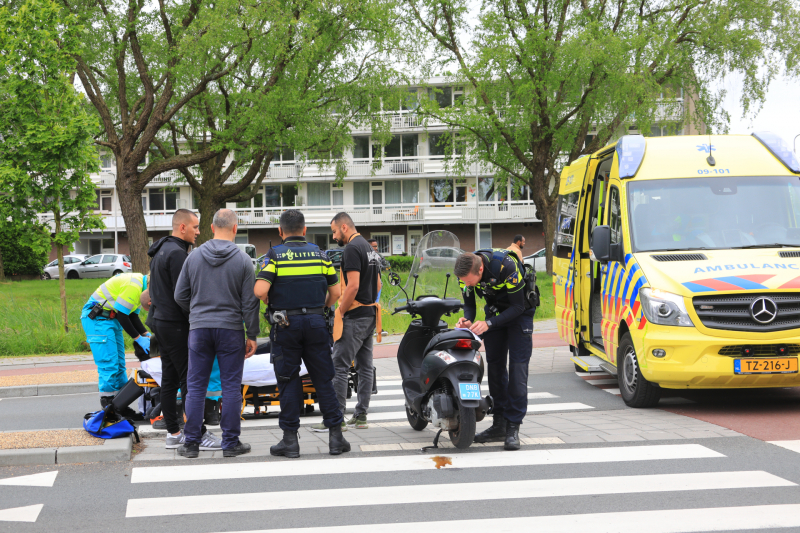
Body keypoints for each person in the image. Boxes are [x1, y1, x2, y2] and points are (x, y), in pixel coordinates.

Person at [253, 209, 350, 457]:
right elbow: (336, 293)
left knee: (288, 380)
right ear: (305, 230)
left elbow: (259, 290)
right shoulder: (321, 255)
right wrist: (320, 309)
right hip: (317, 323)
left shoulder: (274, 256)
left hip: (286, 325)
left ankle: (289, 441)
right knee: (323, 380)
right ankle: (336, 438)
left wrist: (268, 299)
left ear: (280, 232)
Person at [174, 209, 260, 458]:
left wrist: (198, 312)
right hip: (231, 330)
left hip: (199, 329)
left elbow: (180, 295)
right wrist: (251, 334)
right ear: (235, 229)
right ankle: (230, 443)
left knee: (196, 386)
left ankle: (191, 443)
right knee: (231, 386)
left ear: (211, 228)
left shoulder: (194, 257)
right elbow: (249, 303)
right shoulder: (243, 260)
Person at [147, 209, 221, 451]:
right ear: (182, 228)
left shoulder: (160, 250)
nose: (199, 232)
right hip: (175, 325)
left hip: (160, 323)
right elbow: (184, 294)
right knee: (191, 379)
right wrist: (197, 317)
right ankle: (197, 433)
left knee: (169, 379)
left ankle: (173, 433)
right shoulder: (178, 255)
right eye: (195, 227)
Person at [453, 250, 534, 451]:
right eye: (466, 283)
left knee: (517, 370)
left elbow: (517, 307)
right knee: (496, 368)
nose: (468, 285)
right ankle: (499, 424)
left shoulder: (506, 267)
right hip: (496, 313)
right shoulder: (464, 275)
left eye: (471, 282)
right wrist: (467, 319)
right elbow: (469, 305)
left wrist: (489, 323)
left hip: (520, 313)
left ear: (480, 268)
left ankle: (513, 426)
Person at [321, 212, 381, 430]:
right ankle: (361, 416)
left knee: (339, 365)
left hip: (354, 317)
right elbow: (379, 285)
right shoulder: (368, 247)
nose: (334, 236)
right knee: (365, 367)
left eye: (335, 231)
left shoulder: (352, 249)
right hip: (370, 316)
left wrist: (341, 311)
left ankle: (337, 418)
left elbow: (353, 286)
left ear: (344, 227)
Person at [80, 273, 151, 416]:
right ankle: (109, 408)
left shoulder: (141, 287)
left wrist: (146, 334)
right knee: (109, 364)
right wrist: (138, 338)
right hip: (98, 320)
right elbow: (123, 315)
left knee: (119, 364)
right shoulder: (134, 285)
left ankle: (120, 406)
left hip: (111, 320)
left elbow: (132, 316)